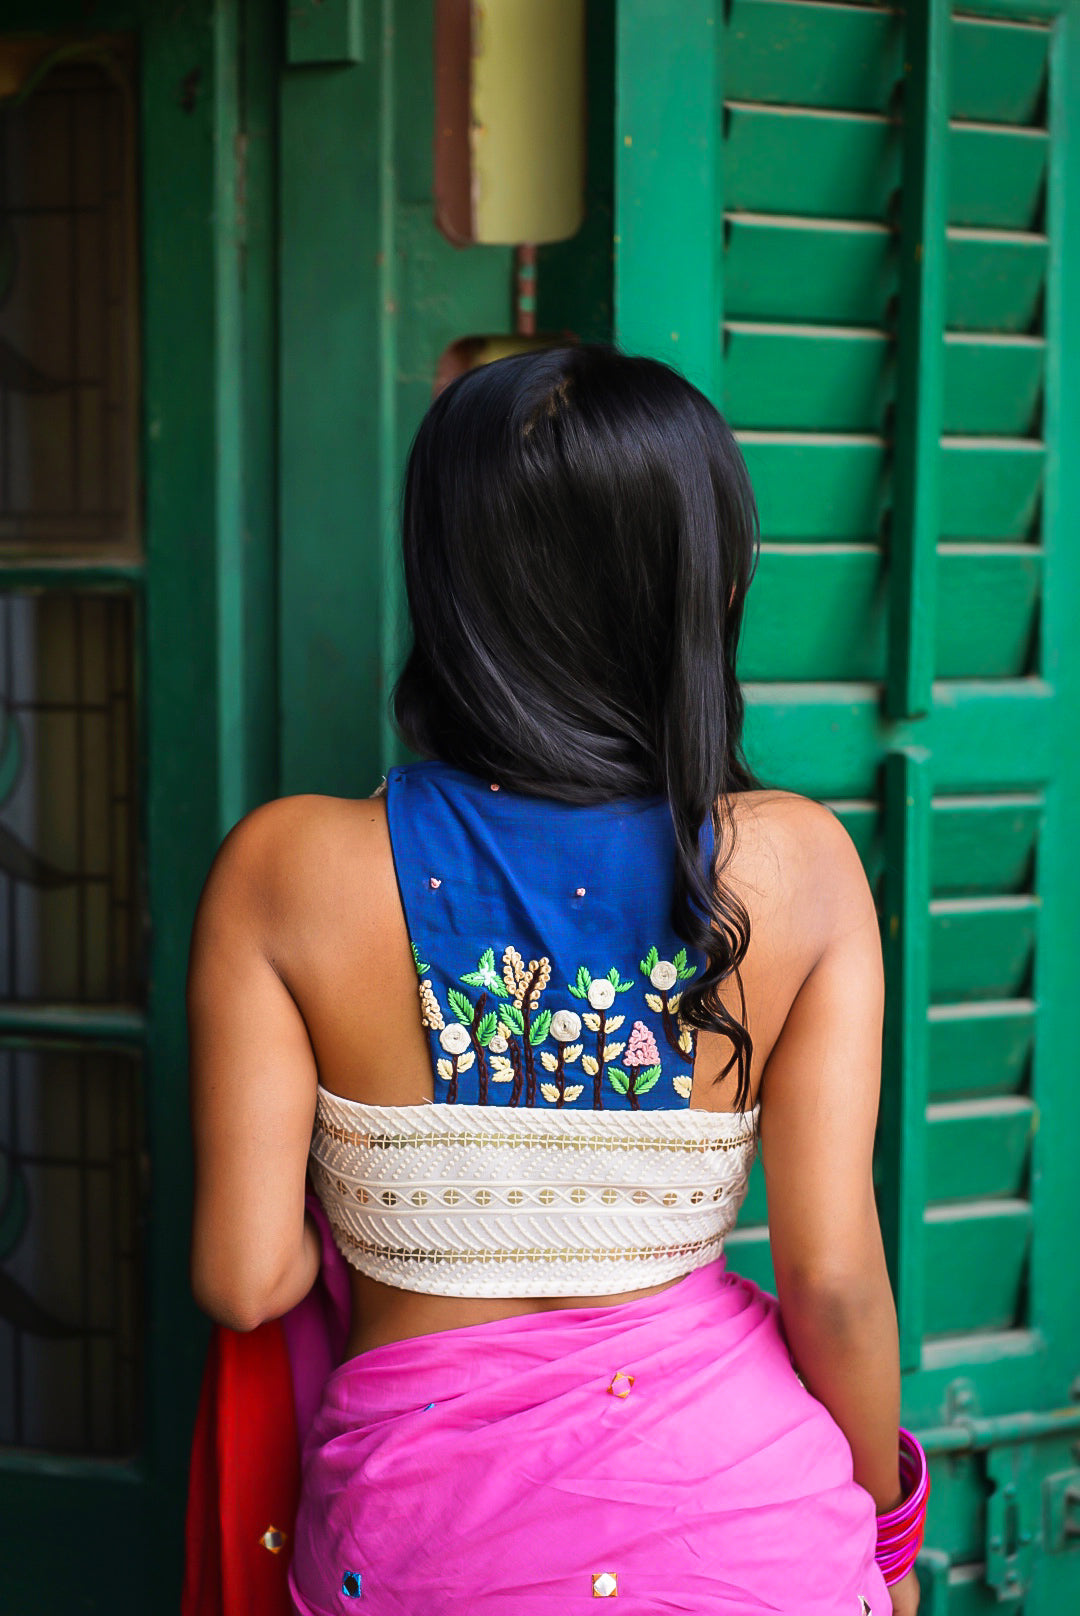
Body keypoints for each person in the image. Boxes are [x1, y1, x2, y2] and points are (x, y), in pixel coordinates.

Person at [187, 345, 925, 1615]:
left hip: (424, 1549)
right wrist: (890, 1550)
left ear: (445, 579)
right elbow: (835, 1281)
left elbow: (244, 1275)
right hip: (750, 1534)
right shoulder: (799, 866)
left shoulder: (284, 869)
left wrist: (399, 1195)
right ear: (707, 583)